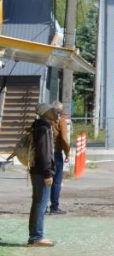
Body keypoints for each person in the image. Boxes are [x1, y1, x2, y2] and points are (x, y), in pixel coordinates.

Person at [28, 102, 59, 247]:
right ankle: (37, 237)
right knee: (40, 204)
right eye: (52, 110)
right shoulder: (44, 128)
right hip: (42, 172)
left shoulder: (38, 126)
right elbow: (44, 152)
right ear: (45, 112)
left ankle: (35, 236)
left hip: (36, 170)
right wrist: (48, 173)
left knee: (38, 203)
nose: (55, 113)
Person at [49, 101, 69, 215]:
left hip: (44, 154)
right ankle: (54, 207)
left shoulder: (46, 121)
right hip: (56, 154)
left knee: (46, 180)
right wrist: (67, 153)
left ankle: (42, 206)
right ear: (61, 111)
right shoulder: (61, 121)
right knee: (56, 182)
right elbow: (64, 138)